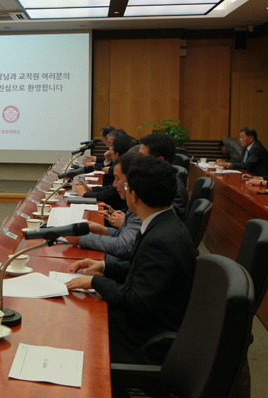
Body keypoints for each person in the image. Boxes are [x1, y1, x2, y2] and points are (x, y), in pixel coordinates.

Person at [66, 157, 196, 373]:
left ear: (134, 195)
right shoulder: (165, 223)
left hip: (144, 338)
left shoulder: (160, 241)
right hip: (150, 321)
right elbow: (144, 273)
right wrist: (104, 266)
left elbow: (137, 301)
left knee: (75, 330)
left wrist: (96, 282)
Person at [65, 153, 142, 261]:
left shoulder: (140, 210)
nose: (114, 184)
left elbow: (124, 246)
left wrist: (83, 238)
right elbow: (125, 237)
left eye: (117, 179)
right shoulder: (135, 208)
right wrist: (103, 231)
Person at [72, 134, 137, 211]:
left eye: (111, 148)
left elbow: (110, 193)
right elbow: (110, 188)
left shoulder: (126, 171)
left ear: (117, 154)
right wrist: (90, 189)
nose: (109, 151)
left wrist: (85, 194)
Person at [138, 132, 189, 220]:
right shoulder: (160, 179)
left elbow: (168, 221)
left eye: (143, 157)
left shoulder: (171, 188)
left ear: (160, 160)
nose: (138, 161)